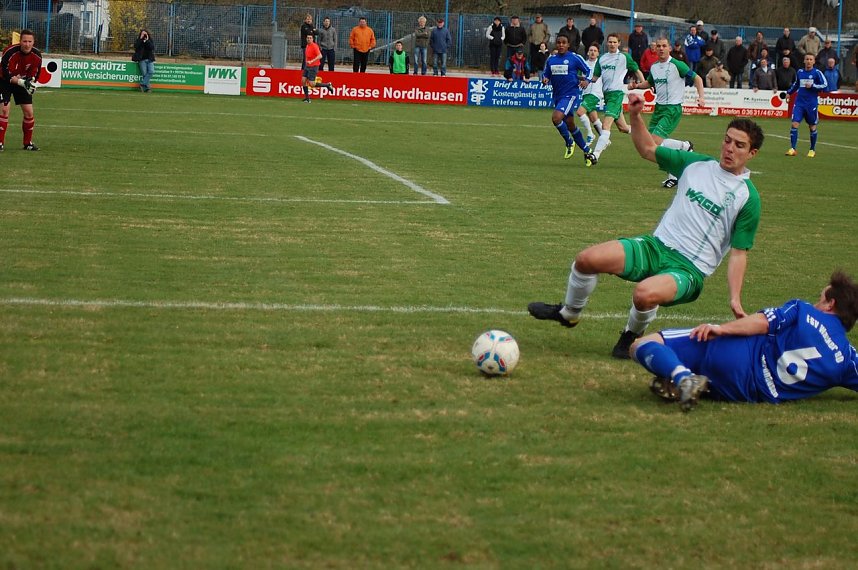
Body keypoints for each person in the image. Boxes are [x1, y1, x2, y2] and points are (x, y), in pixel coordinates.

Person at [528, 91, 763, 360]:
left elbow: (739, 253)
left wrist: (735, 298)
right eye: (727, 140)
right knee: (586, 260)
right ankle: (569, 313)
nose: (729, 148)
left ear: (752, 153)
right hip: (655, 246)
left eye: (739, 145)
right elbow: (647, 150)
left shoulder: (747, 198)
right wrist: (636, 115)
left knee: (643, 293)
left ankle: (631, 335)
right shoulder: (696, 164)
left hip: (688, 269)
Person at [631, 271, 858, 412]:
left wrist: (721, 329)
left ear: (830, 304)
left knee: (642, 344)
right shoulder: (847, 360)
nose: (816, 303)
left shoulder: (803, 310)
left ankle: (682, 378)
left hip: (736, 356)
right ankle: (686, 380)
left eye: (820, 299)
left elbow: (764, 322)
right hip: (743, 393)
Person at [628, 37, 705, 189]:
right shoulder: (655, 66)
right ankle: (683, 148)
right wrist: (636, 86)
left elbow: (697, 78)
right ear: (655, 49)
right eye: (658, 46)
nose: (661, 48)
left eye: (664, 46)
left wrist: (701, 96)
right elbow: (649, 83)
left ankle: (678, 163)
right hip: (659, 109)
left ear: (669, 48)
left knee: (655, 141)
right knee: (649, 144)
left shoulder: (677, 65)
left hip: (672, 109)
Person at [541, 35, 597, 166]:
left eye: (563, 43)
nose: (561, 45)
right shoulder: (551, 60)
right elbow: (546, 73)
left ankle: (569, 142)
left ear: (568, 45)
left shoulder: (574, 58)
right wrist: (545, 79)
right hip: (557, 96)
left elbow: (588, 71)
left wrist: (587, 80)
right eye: (558, 42)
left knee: (556, 118)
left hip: (570, 94)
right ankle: (588, 152)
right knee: (570, 125)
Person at [589, 33, 644, 161]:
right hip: (607, 96)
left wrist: (644, 83)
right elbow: (594, 78)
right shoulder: (602, 58)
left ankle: (595, 154)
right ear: (607, 43)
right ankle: (648, 136)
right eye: (610, 42)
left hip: (616, 94)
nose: (612, 44)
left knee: (605, 125)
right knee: (623, 128)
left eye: (615, 42)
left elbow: (636, 70)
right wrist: (580, 79)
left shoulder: (624, 57)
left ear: (619, 43)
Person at [0, 29, 43, 151]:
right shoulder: (9, 52)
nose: (27, 44)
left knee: (29, 112)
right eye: (24, 41)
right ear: (20, 41)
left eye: (30, 41)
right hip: (4, 82)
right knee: (4, 110)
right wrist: (21, 82)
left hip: (22, 83)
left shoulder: (37, 55)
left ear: (33, 42)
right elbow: (5, 72)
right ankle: (0, 142)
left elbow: (35, 73)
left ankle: (27, 143)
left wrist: (31, 82)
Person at [784, 54, 827, 158]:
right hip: (799, 103)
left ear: (814, 61)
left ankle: (812, 149)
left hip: (811, 104)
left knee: (812, 126)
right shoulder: (800, 72)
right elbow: (796, 84)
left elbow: (825, 85)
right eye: (807, 59)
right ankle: (793, 149)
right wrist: (789, 92)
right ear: (804, 61)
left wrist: (813, 86)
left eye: (811, 59)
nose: (808, 61)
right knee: (794, 124)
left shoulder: (817, 73)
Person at [575, 44, 604, 146]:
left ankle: (590, 134)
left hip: (595, 93)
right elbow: (578, 76)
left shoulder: (600, 65)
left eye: (595, 51)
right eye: (591, 50)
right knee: (593, 118)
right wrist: (581, 80)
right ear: (587, 52)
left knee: (580, 112)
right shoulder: (584, 64)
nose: (592, 52)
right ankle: (604, 138)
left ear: (598, 53)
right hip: (586, 93)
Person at [300, 34, 334, 103]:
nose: (309, 39)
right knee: (303, 81)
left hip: (314, 66)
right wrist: (307, 62)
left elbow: (320, 56)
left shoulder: (314, 46)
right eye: (308, 38)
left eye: (310, 38)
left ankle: (327, 85)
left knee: (312, 84)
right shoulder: (307, 46)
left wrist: (312, 61)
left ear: (312, 39)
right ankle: (307, 98)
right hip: (307, 66)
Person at [132, 29, 155, 93]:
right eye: (143, 34)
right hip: (142, 59)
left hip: (149, 59)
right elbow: (136, 46)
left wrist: (147, 40)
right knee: (144, 74)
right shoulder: (139, 40)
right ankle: (147, 88)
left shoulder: (149, 40)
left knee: (151, 71)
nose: (144, 35)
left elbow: (152, 47)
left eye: (145, 34)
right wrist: (140, 38)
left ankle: (142, 84)